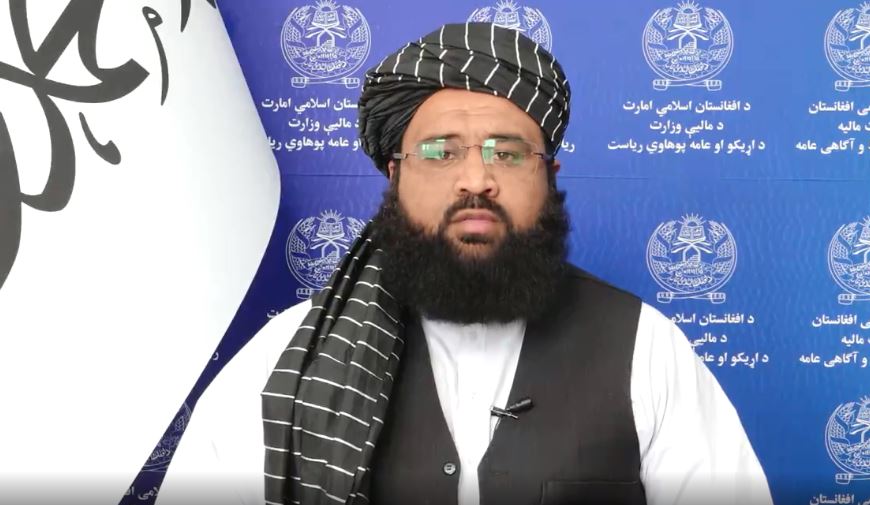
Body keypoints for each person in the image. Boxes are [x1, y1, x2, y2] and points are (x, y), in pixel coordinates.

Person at [157, 23, 773, 505]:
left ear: (549, 177)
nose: (476, 179)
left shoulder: (645, 347)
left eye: (508, 154)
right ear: (396, 176)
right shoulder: (288, 360)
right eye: (440, 152)